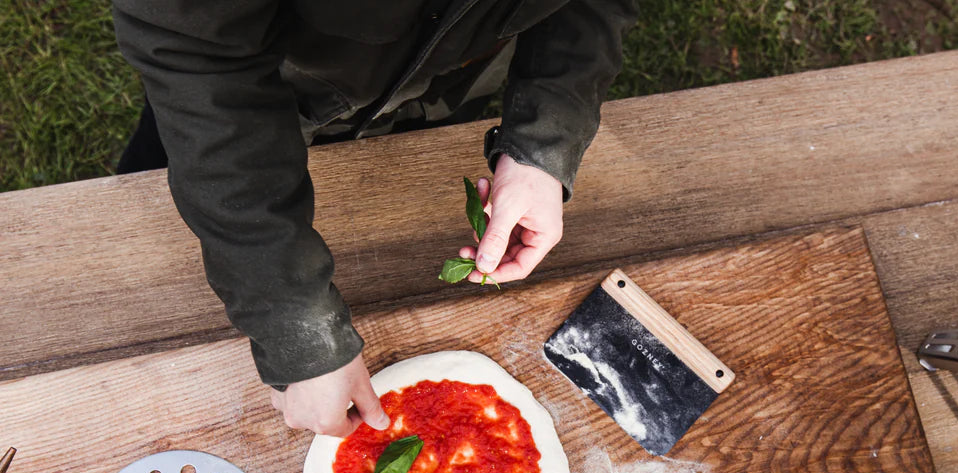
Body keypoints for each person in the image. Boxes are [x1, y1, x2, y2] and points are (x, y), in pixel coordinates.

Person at [112, 1, 637, 436]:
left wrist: (543, 145)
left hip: (449, 79)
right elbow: (196, 58)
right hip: (253, 106)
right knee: (143, 290)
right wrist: (298, 331)